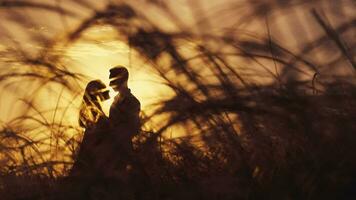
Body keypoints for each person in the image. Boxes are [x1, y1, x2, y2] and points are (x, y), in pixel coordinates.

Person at [70, 79, 110, 177]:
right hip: (94, 145)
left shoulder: (89, 106)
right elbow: (101, 125)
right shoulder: (92, 108)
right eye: (102, 91)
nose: (106, 94)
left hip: (92, 144)